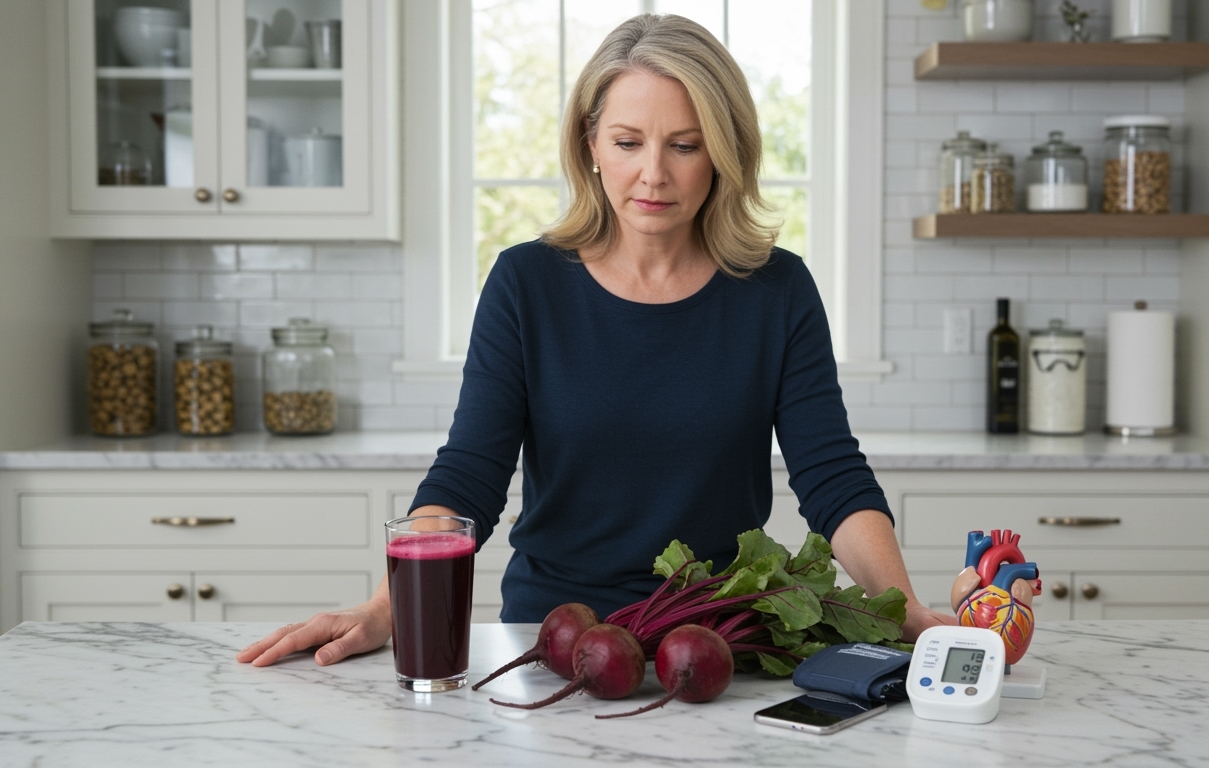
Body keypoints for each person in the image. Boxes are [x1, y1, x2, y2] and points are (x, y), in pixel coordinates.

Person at [238, 13, 956, 669]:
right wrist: (385, 607)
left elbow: (832, 476)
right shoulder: (526, 283)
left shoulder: (777, 290)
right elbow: (469, 476)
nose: (654, 173)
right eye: (627, 142)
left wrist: (903, 607)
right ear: (590, 146)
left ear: (724, 154)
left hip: (713, 647)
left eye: (685, 145)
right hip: (554, 640)